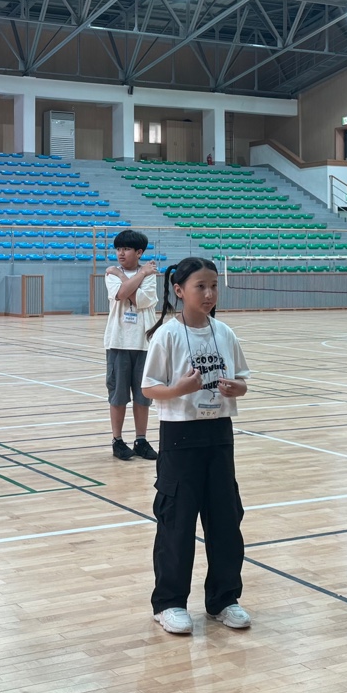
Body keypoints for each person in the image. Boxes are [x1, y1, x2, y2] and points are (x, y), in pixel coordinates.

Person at [141, 257, 252, 636]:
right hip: (180, 436)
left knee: (225, 520)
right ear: (178, 290)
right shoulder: (167, 335)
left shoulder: (224, 332)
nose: (208, 294)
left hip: (219, 434)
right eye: (200, 286)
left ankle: (224, 599)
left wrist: (237, 388)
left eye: (214, 286)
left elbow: (242, 380)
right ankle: (169, 602)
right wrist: (178, 390)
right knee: (177, 521)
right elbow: (149, 387)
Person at [103, 229, 160, 461]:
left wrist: (130, 275)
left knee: (142, 395)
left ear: (139, 252)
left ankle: (141, 439)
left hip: (144, 343)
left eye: (126, 249)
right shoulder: (112, 274)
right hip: (118, 341)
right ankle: (117, 440)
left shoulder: (150, 275)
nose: (120, 253)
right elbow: (121, 294)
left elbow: (140, 299)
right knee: (117, 394)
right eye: (118, 249)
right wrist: (139, 273)